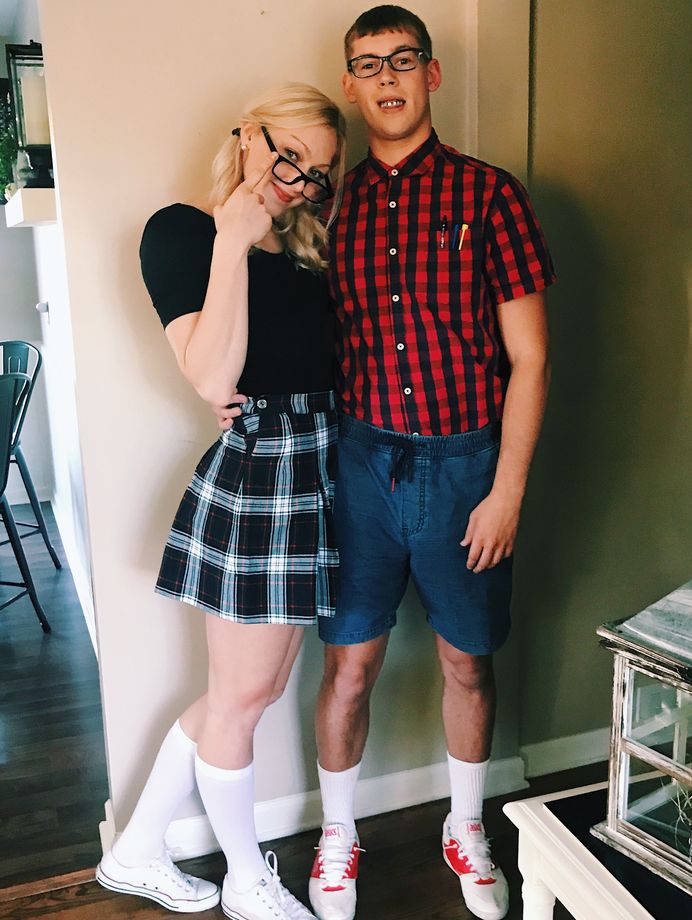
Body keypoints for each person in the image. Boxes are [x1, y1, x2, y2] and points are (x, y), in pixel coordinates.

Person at [214, 8, 555, 919]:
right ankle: (336, 837)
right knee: (350, 668)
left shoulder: (492, 195)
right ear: (353, 84)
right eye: (368, 65)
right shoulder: (331, 205)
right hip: (357, 465)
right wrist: (221, 385)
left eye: (404, 59)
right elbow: (273, 318)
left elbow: (529, 356)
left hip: (465, 468)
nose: (388, 77)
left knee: (468, 664)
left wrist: (507, 490)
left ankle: (468, 828)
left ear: (431, 76)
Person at [95, 83, 346, 920]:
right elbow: (211, 376)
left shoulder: (308, 250)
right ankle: (247, 883)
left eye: (315, 173)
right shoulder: (181, 233)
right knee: (241, 699)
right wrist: (234, 241)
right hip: (265, 475)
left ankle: (135, 850)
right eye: (287, 156)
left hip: (321, 465)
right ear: (248, 135)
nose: (297, 180)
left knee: (252, 692)